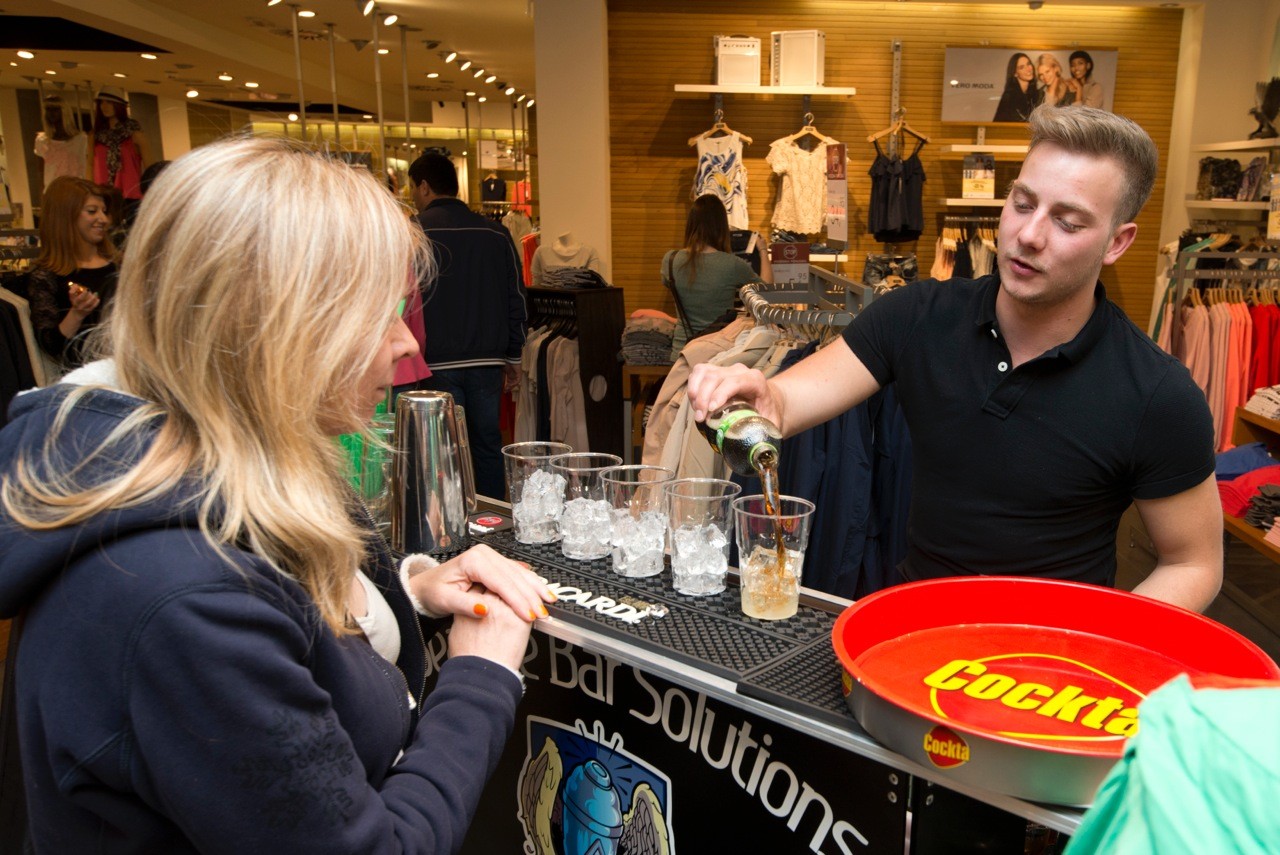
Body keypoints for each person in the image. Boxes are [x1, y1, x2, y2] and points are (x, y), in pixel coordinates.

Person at [0, 137, 556, 852]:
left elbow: (284, 599)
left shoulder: (224, 464)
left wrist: (404, 589)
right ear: (281, 329)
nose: (407, 344)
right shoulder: (187, 603)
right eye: (381, 313)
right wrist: (480, 674)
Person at [686, 105, 1222, 614]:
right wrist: (759, 393)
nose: (1028, 235)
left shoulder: (1157, 393)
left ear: (1117, 243)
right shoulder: (917, 315)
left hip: (1053, 659)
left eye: (1068, 222)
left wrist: (1095, 646)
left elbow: (1193, 563)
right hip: (916, 635)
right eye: (1023, 203)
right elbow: (784, 401)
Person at [405, 152, 527, 500]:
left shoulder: (414, 232)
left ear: (424, 186)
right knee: (487, 443)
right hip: (487, 359)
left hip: (434, 361)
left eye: (413, 188)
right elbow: (516, 297)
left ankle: (451, 522)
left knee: (443, 450)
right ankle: (493, 518)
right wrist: (514, 356)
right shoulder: (496, 233)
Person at [663, 194, 773, 361]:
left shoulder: (670, 260)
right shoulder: (732, 264)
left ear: (691, 223)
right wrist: (763, 250)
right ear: (721, 226)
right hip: (717, 354)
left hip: (681, 353)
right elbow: (767, 291)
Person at [26, 176, 118, 370]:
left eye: (104, 211)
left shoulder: (120, 265)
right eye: (92, 211)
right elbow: (51, 346)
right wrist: (77, 314)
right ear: (66, 216)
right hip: (87, 377)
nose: (103, 219)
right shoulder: (47, 277)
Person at [89, 85, 148, 221]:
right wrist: (89, 191)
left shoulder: (135, 134)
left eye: (109, 102)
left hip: (131, 196)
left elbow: (150, 168)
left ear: (119, 105)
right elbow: (90, 165)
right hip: (103, 195)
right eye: (101, 102)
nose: (104, 106)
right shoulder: (95, 136)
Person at [32, 94, 87, 189]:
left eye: (55, 109)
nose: (51, 113)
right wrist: (43, 194)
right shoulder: (42, 141)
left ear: (64, 111)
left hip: (76, 189)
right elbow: (41, 171)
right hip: (53, 189)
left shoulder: (81, 139)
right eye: (48, 109)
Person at [992, 52, 1040, 123]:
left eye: (1028, 64)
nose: (1028, 69)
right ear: (1015, 73)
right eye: (1022, 67)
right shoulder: (1009, 96)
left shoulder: (1035, 93)